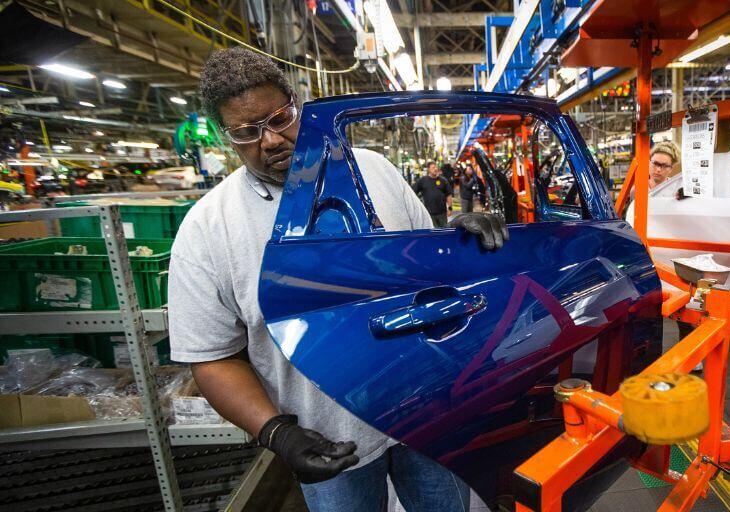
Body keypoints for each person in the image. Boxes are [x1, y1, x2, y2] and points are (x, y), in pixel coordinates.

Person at [168, 46, 507, 512]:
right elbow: (210, 357)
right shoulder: (209, 229)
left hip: (424, 413)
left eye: (279, 118)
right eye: (247, 132)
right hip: (327, 439)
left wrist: (456, 243)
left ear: (298, 104)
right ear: (226, 138)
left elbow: (429, 276)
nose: (269, 141)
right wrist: (277, 432)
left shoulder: (375, 170)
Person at [413, 161, 453, 227]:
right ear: (429, 169)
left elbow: (448, 195)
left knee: (443, 232)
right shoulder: (422, 180)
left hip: (442, 213)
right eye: (433, 167)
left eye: (436, 167)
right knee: (432, 232)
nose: (435, 169)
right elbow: (413, 192)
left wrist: (450, 208)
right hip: (429, 213)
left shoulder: (443, 180)